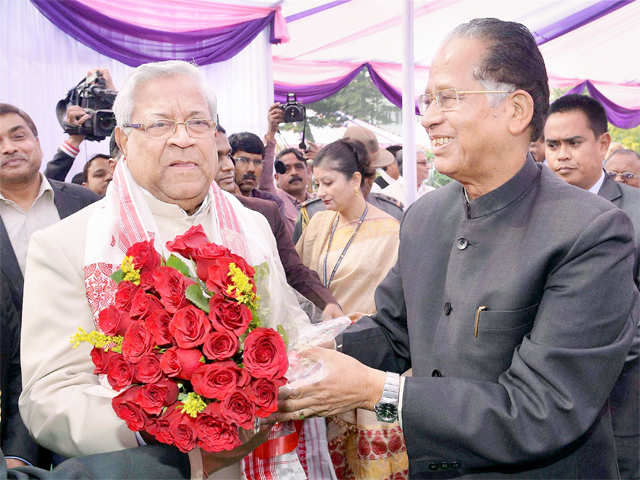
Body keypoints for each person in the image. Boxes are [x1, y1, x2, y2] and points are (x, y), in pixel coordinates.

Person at [275, 18, 637, 479]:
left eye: (447, 98)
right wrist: (293, 355)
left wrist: (377, 392)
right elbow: (394, 331)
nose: (428, 118)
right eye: (428, 101)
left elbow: (545, 409)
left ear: (516, 110)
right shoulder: (426, 216)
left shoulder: (590, 232)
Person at [18, 60, 318, 478]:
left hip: (262, 461)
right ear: (122, 138)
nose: (182, 139)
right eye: (159, 125)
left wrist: (306, 361)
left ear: (215, 135)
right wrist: (156, 426)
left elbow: (286, 322)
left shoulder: (250, 225)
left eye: (197, 122)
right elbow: (48, 397)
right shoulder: (66, 245)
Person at [295, 138, 405, 479]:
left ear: (356, 180)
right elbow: (301, 275)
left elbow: (397, 303)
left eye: (328, 183)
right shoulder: (319, 223)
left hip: (368, 352)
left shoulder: (391, 231)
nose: (321, 192)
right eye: (317, 184)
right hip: (324, 351)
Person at [544, 93, 640, 479]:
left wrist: (598, 355)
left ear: (602, 144)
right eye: (553, 145)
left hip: (621, 392)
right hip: (542, 397)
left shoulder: (634, 210)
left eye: (573, 143)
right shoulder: (532, 210)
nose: (562, 155)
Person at [0, 103, 98, 469]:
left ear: (38, 143)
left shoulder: (86, 203)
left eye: (18, 135)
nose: (9, 147)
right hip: (10, 387)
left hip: (85, 378)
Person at [215, 124, 343, 320]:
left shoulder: (265, 211)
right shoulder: (168, 214)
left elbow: (293, 270)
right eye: (218, 156)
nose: (228, 166)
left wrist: (327, 303)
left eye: (228, 156)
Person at [293, 126, 404, 243]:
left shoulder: (392, 212)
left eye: (371, 171)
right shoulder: (313, 214)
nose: (368, 179)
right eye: (323, 183)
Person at [228, 131, 294, 235]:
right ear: (228, 161)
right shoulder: (214, 200)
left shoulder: (273, 204)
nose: (251, 169)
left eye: (257, 162)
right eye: (243, 160)